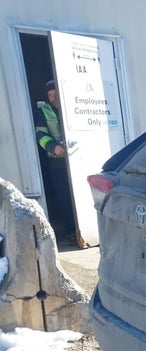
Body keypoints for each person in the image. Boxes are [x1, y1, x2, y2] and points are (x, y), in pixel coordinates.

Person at [34, 79, 75, 242]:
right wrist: (52, 146)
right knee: (64, 197)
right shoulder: (43, 111)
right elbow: (40, 135)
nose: (53, 98)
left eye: (55, 94)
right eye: (50, 95)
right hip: (57, 162)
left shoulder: (72, 106)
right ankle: (72, 231)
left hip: (75, 159)